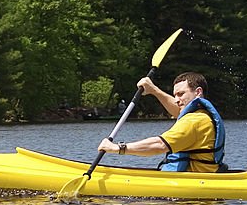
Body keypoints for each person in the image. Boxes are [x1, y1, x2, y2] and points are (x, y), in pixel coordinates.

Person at [97, 72, 227, 172]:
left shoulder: (194, 121)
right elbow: (178, 110)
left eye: (181, 94)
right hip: (198, 178)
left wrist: (117, 148)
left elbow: (159, 145)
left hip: (191, 185)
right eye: (175, 95)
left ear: (198, 92)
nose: (176, 99)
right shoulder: (201, 115)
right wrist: (153, 90)